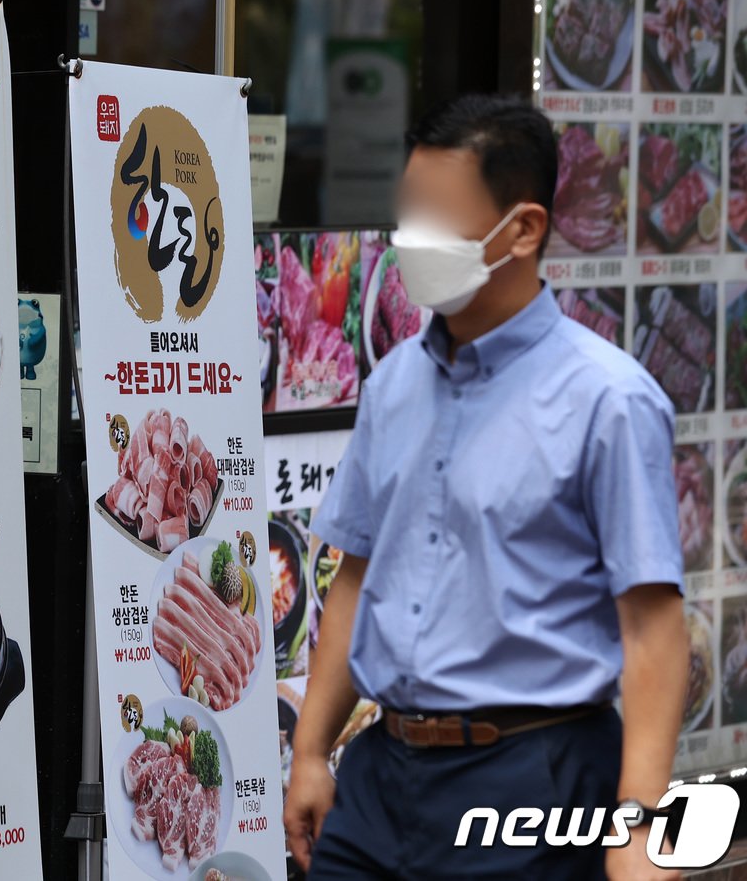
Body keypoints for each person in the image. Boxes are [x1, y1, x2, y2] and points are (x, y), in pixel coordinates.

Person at [283, 95, 687, 881]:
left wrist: (638, 828)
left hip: (530, 774)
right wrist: (309, 750)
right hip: (379, 775)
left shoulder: (609, 400)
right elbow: (356, 576)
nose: (410, 241)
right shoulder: (395, 380)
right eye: (409, 213)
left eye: (437, 218)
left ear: (524, 229)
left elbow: (653, 630)